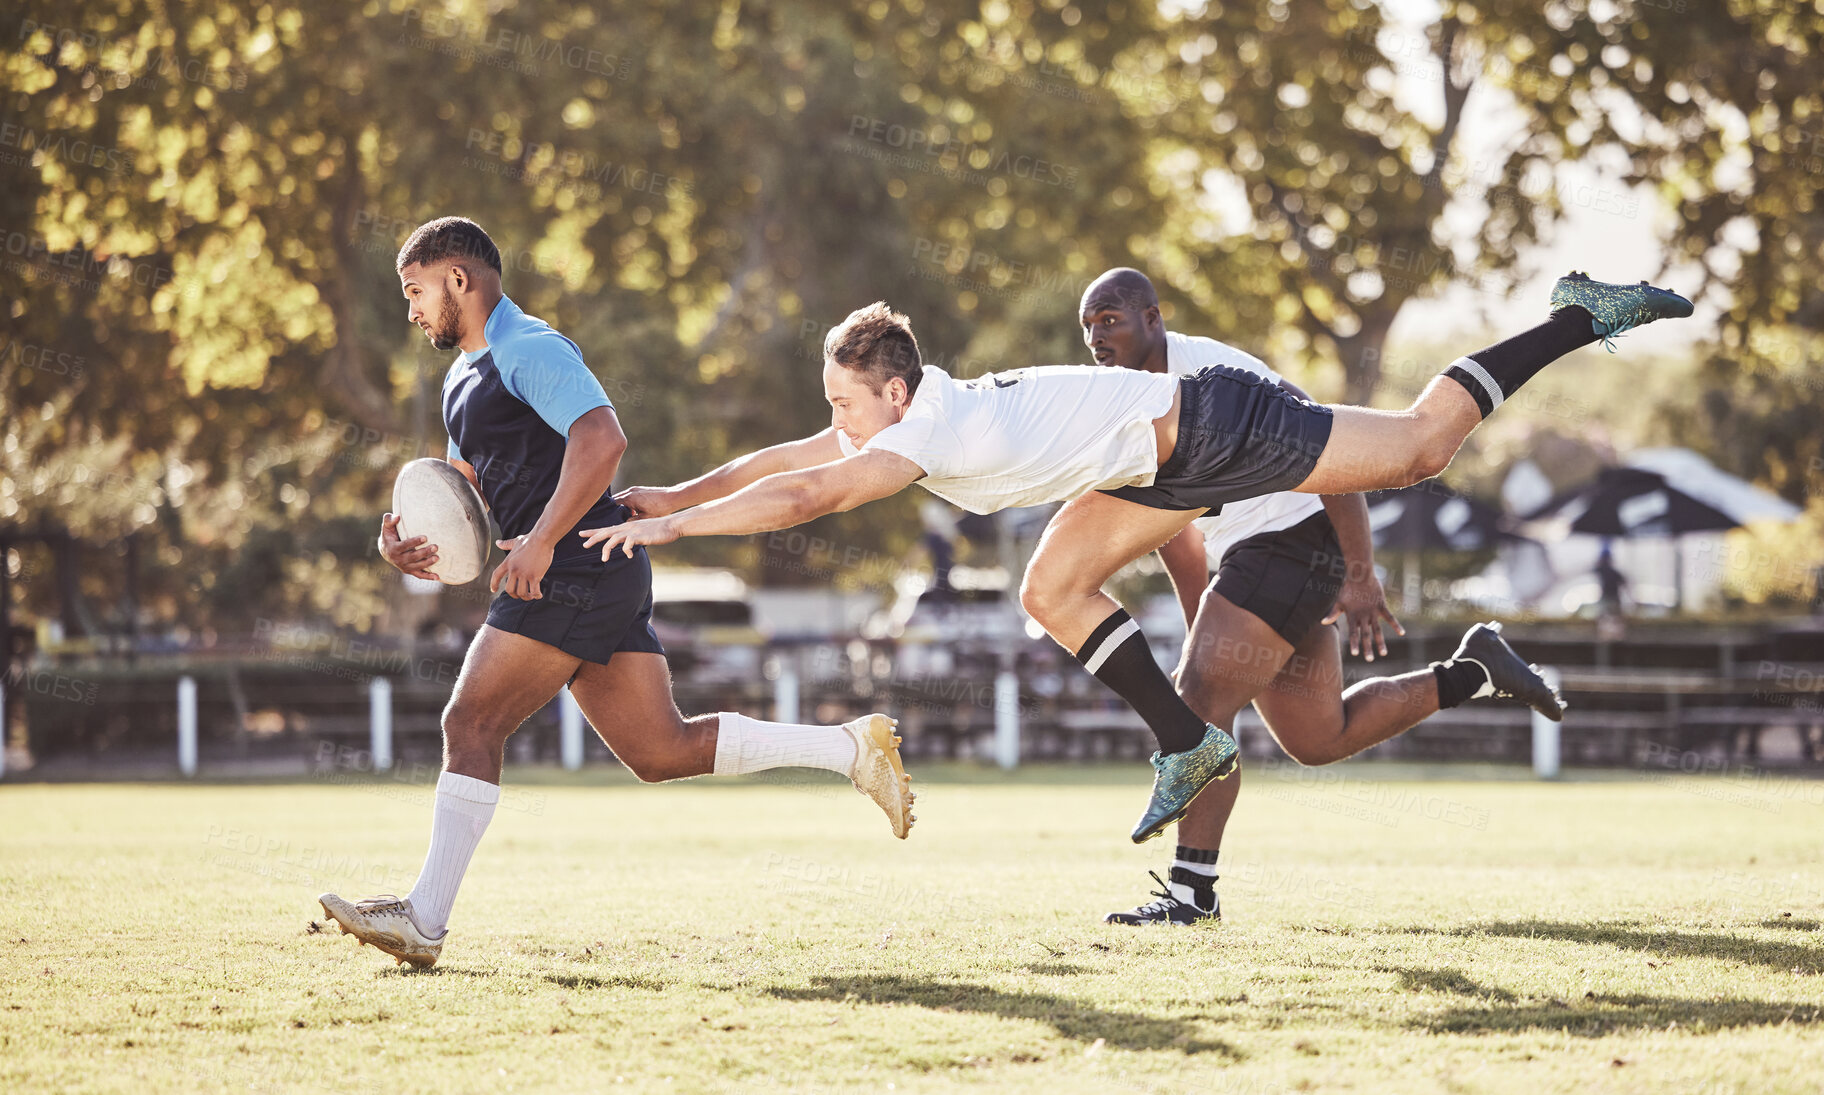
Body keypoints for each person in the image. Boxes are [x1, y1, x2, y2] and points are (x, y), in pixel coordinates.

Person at [588, 272, 1690, 845]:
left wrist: (677, 533)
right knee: (1048, 589)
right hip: (1149, 471)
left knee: (1413, 449)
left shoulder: (916, 431)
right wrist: (679, 491)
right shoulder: (900, 413)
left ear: (891, 392)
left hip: (1211, 427)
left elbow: (809, 490)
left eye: (845, 405)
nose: (837, 422)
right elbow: (804, 454)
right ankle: (1189, 749)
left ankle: (1576, 320)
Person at [316, 218, 916, 970]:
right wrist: (409, 546)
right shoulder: (460, 377)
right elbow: (465, 496)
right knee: (659, 750)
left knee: (469, 719)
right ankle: (851, 748)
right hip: (590, 565)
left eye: (415, 291)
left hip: (574, 564)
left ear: (459, 281)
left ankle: (424, 920)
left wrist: (539, 540)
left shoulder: (529, 347)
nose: (411, 309)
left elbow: (601, 439)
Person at [1078, 269, 1564, 926]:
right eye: (1088, 327)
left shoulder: (1210, 373)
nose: (1096, 336)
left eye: (1109, 318)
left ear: (1153, 320)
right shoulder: (1131, 412)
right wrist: (1208, 634)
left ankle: (1191, 895)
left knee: (1200, 708)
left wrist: (1361, 574)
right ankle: (1473, 671)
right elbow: (1178, 539)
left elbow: (1333, 454)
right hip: (1262, 559)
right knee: (1316, 735)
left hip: (1292, 540)